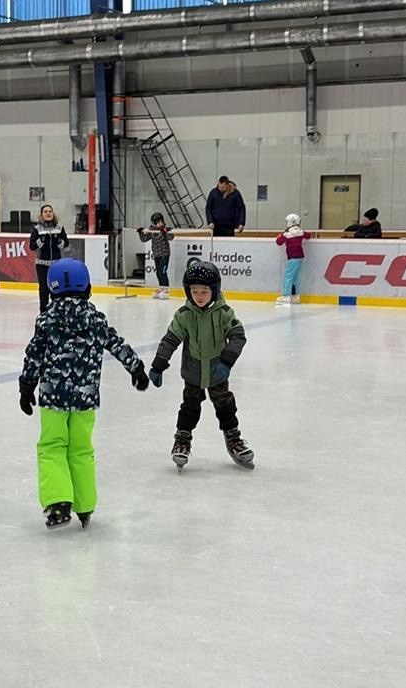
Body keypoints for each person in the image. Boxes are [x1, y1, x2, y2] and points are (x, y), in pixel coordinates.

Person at [18, 258, 149, 529]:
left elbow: (34, 356)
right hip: (85, 399)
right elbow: (117, 345)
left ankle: (58, 502)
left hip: (53, 399)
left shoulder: (46, 320)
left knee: (52, 447)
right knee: (81, 449)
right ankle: (85, 505)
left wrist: (26, 386)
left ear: (51, 290)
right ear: (88, 289)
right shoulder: (97, 320)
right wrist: (136, 368)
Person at [148, 258, 253, 470]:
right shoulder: (184, 315)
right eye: (194, 291)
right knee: (189, 407)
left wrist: (227, 361)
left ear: (214, 290)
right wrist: (159, 364)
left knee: (225, 406)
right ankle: (182, 439)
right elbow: (170, 340)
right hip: (193, 372)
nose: (199, 296)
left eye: (204, 291)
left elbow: (238, 336)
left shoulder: (224, 313)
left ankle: (234, 439)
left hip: (217, 371)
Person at [29, 204, 69, 310]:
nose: (48, 213)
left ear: (53, 213)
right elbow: (32, 246)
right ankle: (43, 312)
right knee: (44, 289)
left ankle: (56, 311)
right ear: (42, 215)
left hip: (57, 264)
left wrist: (59, 242)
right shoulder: (37, 229)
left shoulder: (59, 227)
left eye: (50, 211)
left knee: (57, 288)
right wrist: (41, 241)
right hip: (42, 264)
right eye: (45, 212)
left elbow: (66, 243)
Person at [275, 212, 311, 304]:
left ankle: (286, 296)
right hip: (300, 257)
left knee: (288, 277)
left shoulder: (288, 233)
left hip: (292, 257)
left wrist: (281, 234)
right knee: (295, 277)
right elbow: (308, 235)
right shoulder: (300, 232)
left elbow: (279, 242)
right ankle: (295, 296)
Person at [137, 211, 174, 298]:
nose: (159, 222)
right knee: (158, 272)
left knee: (162, 272)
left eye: (160, 220)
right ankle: (162, 288)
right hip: (157, 254)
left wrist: (164, 231)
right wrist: (140, 232)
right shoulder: (152, 230)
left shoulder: (166, 229)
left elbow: (171, 237)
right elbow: (144, 239)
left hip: (164, 254)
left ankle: (166, 290)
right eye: (157, 220)